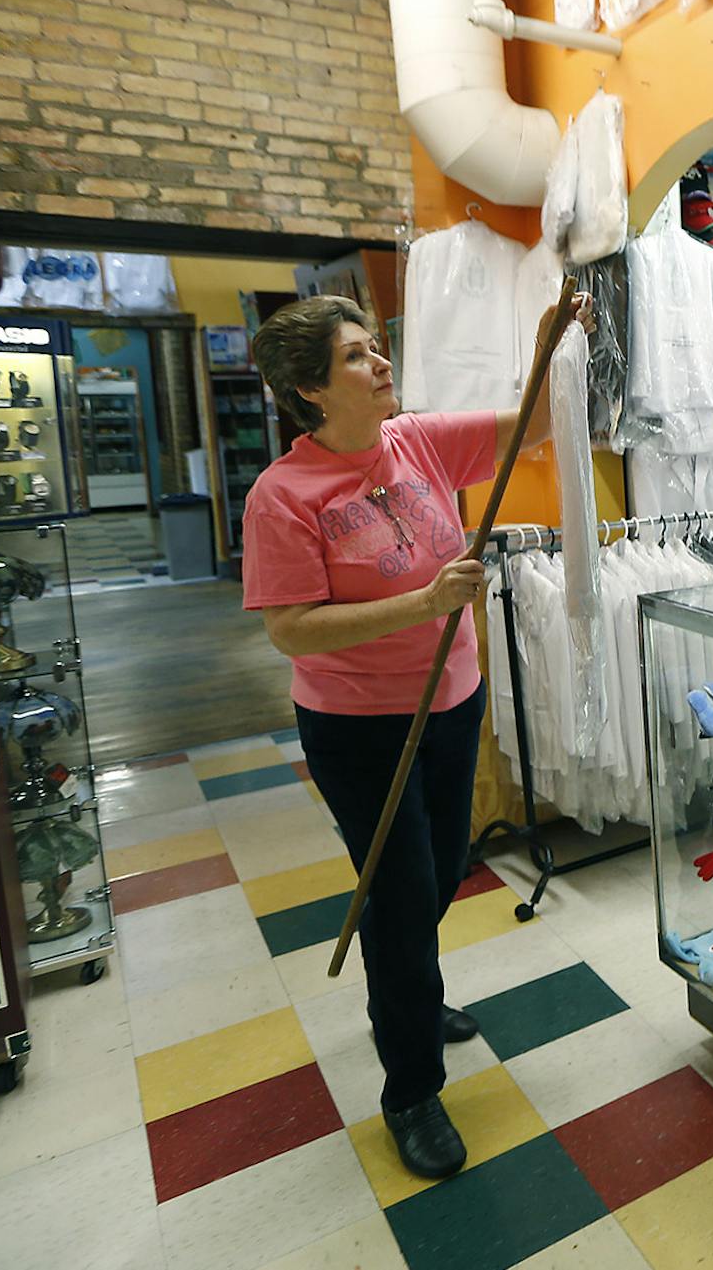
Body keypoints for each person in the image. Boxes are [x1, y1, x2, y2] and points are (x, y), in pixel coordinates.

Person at [241, 290, 590, 1179]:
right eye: (356, 356)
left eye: (375, 347)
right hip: (358, 727)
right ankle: (411, 1088)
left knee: (436, 876)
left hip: (451, 702)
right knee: (398, 900)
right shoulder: (284, 496)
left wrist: (551, 345)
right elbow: (289, 627)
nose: (381, 363)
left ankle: (405, 992)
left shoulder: (420, 441)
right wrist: (423, 603)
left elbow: (536, 426)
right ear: (310, 390)